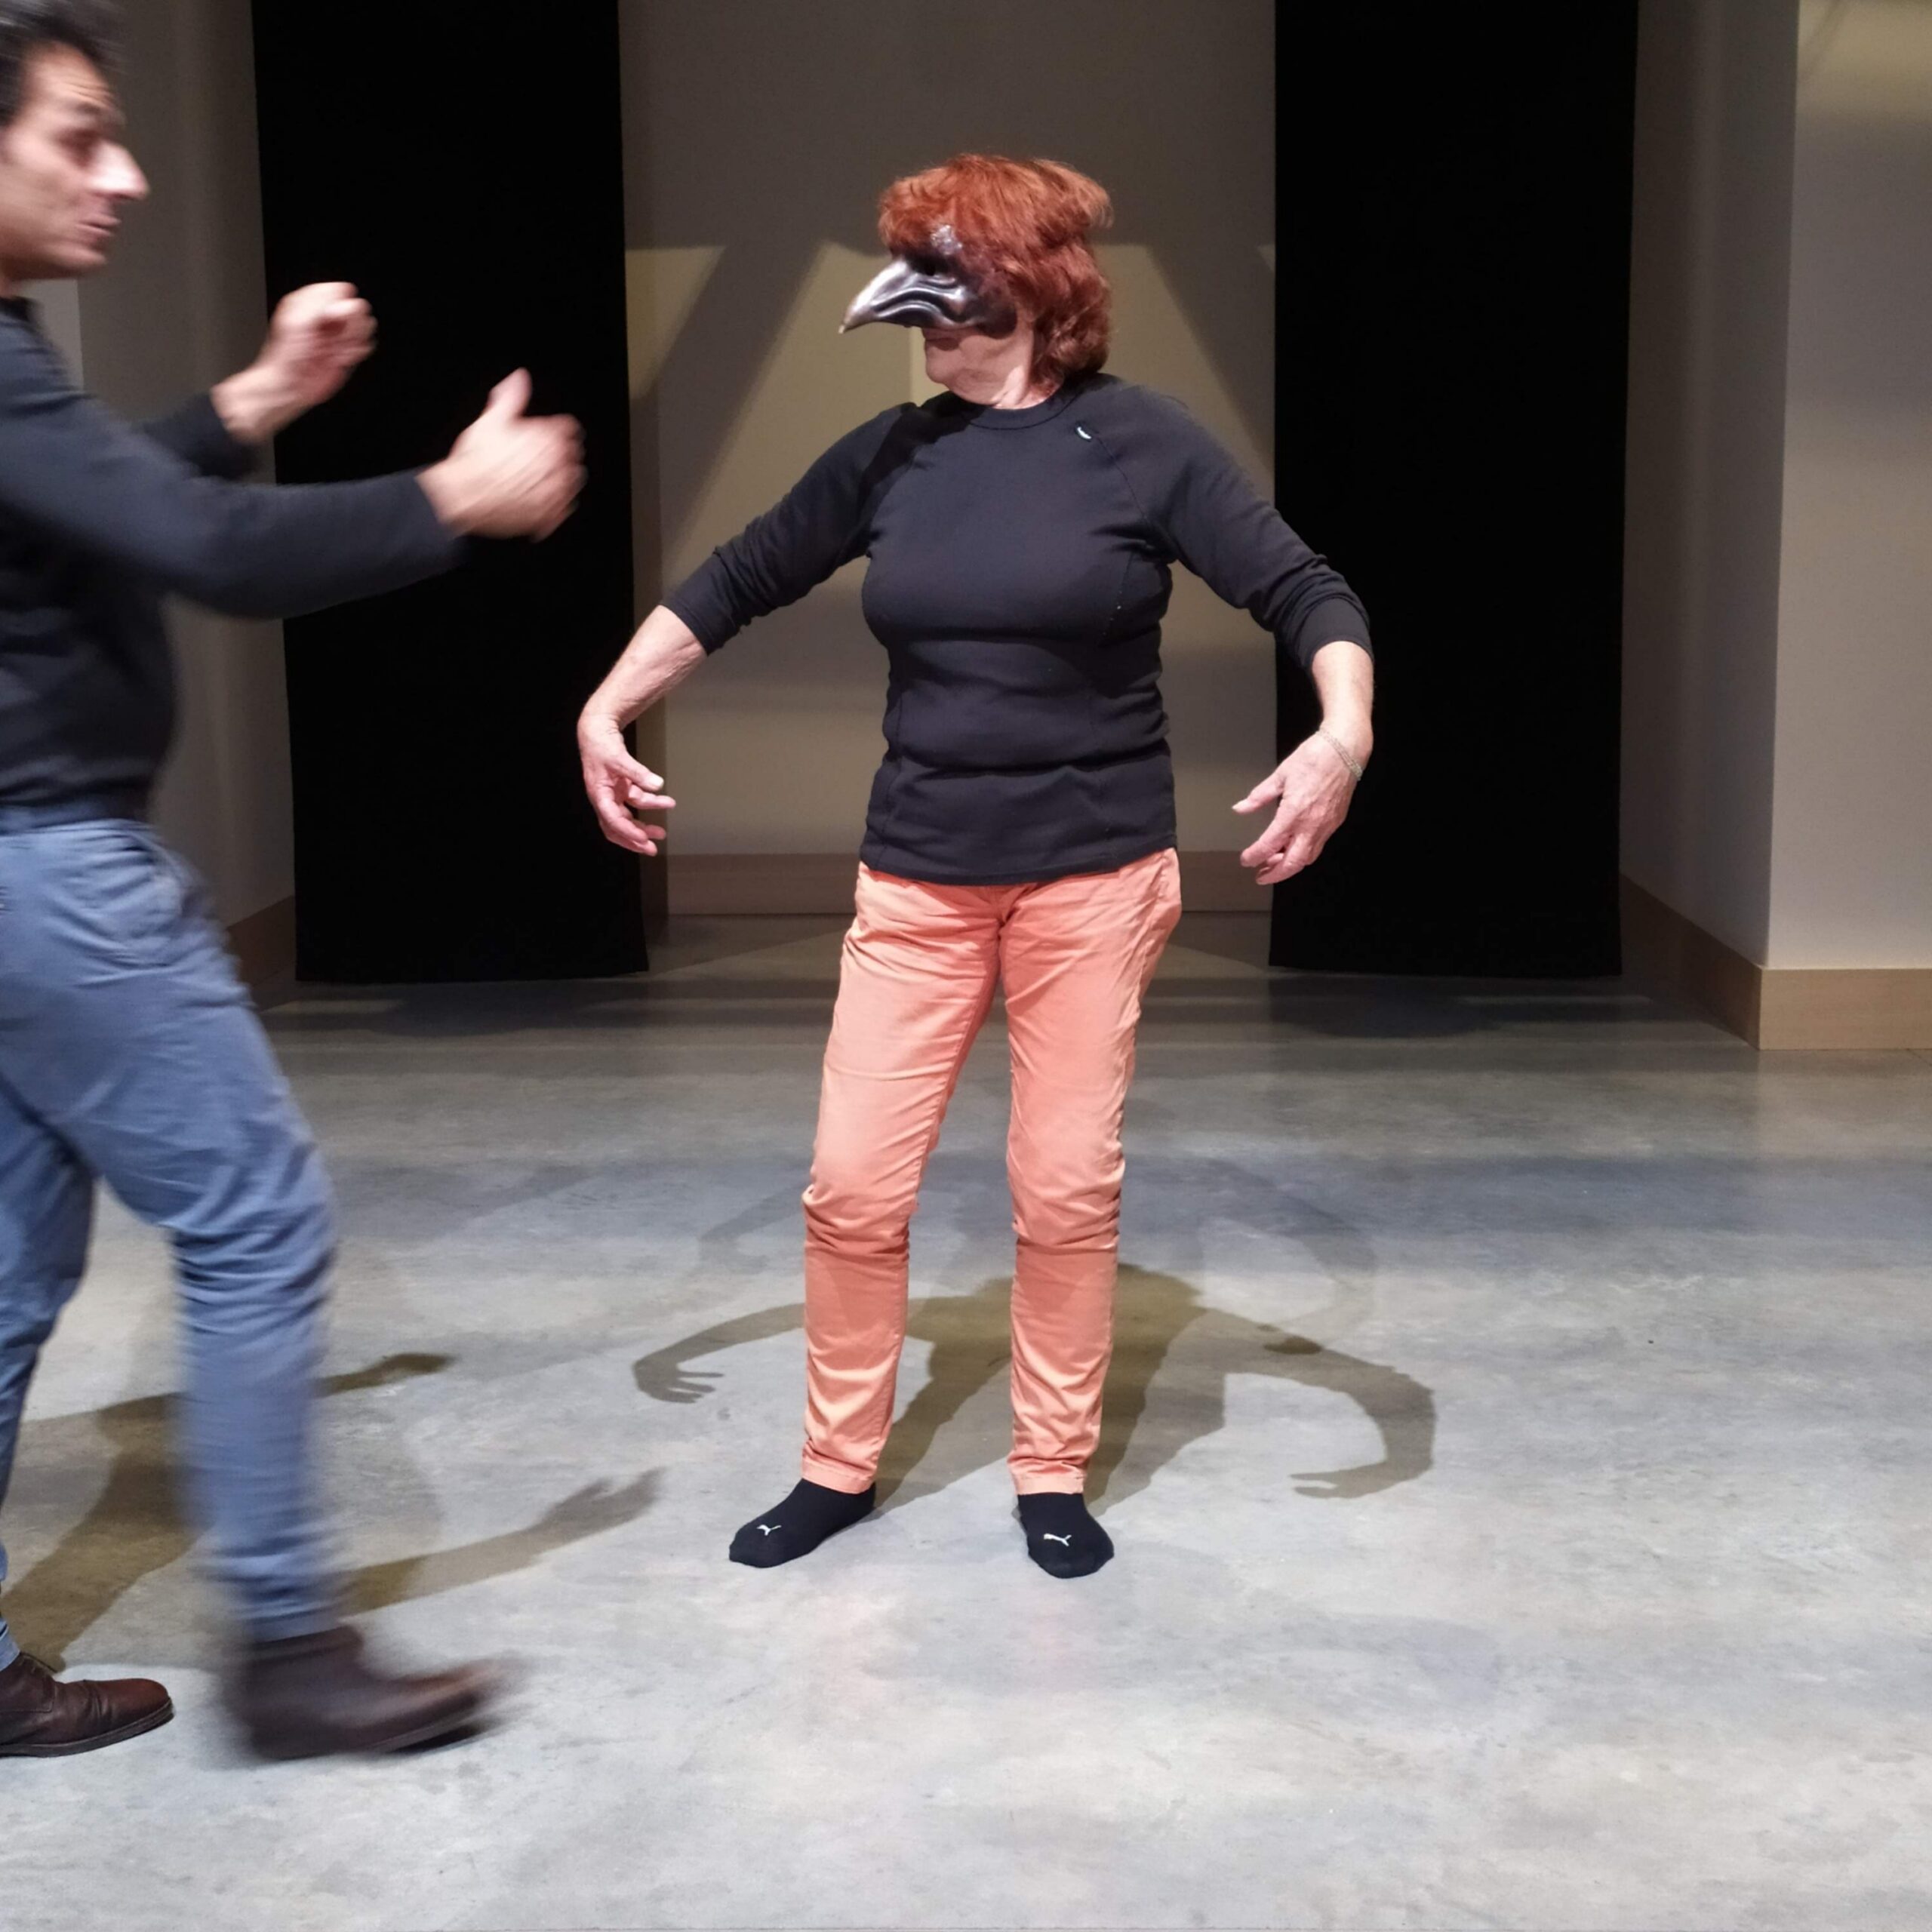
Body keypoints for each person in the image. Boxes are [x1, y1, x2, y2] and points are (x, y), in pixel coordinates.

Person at [579, 154, 1374, 1580]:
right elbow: (740, 576)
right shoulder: (897, 455)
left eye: (950, 275)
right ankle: (836, 1464)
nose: (924, 313)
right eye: (914, 276)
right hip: (919, 880)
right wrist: (605, 706)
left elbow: (1304, 587)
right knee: (851, 1188)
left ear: (1038, 288)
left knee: (1063, 1191)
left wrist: (1344, 732)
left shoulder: (1141, 444)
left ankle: (1050, 1469)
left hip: (1093, 882)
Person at [0, 0, 583, 1757]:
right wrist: (450, 498)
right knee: (255, 1217)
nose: (125, 173)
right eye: (79, 138)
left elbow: (85, 508)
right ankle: (288, 1651)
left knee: (9, 1276)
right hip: (49, 872)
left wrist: (254, 398)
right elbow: (200, 547)